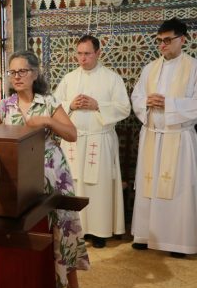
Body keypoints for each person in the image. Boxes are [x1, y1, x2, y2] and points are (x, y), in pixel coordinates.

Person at [0, 50, 90, 288]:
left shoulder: (48, 101)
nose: (17, 77)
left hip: (54, 174)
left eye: (22, 71)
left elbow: (72, 134)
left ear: (34, 74)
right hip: (24, 179)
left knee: (64, 229)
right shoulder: (5, 105)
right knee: (35, 233)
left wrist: (47, 120)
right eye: (13, 72)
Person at [54, 35, 131, 248]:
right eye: (79, 53)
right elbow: (54, 105)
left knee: (99, 187)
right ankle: (78, 230)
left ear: (98, 52)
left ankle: (100, 231)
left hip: (100, 140)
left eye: (87, 53)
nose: (82, 58)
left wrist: (98, 105)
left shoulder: (112, 78)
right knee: (75, 186)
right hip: (74, 142)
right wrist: (71, 104)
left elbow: (124, 108)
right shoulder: (69, 78)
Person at [131, 17, 197, 259]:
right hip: (152, 136)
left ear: (183, 39)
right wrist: (145, 102)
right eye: (159, 41)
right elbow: (136, 96)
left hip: (178, 138)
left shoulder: (194, 68)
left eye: (167, 40)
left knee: (178, 189)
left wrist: (170, 104)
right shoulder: (150, 68)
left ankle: (178, 242)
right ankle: (145, 235)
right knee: (149, 187)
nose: (162, 45)